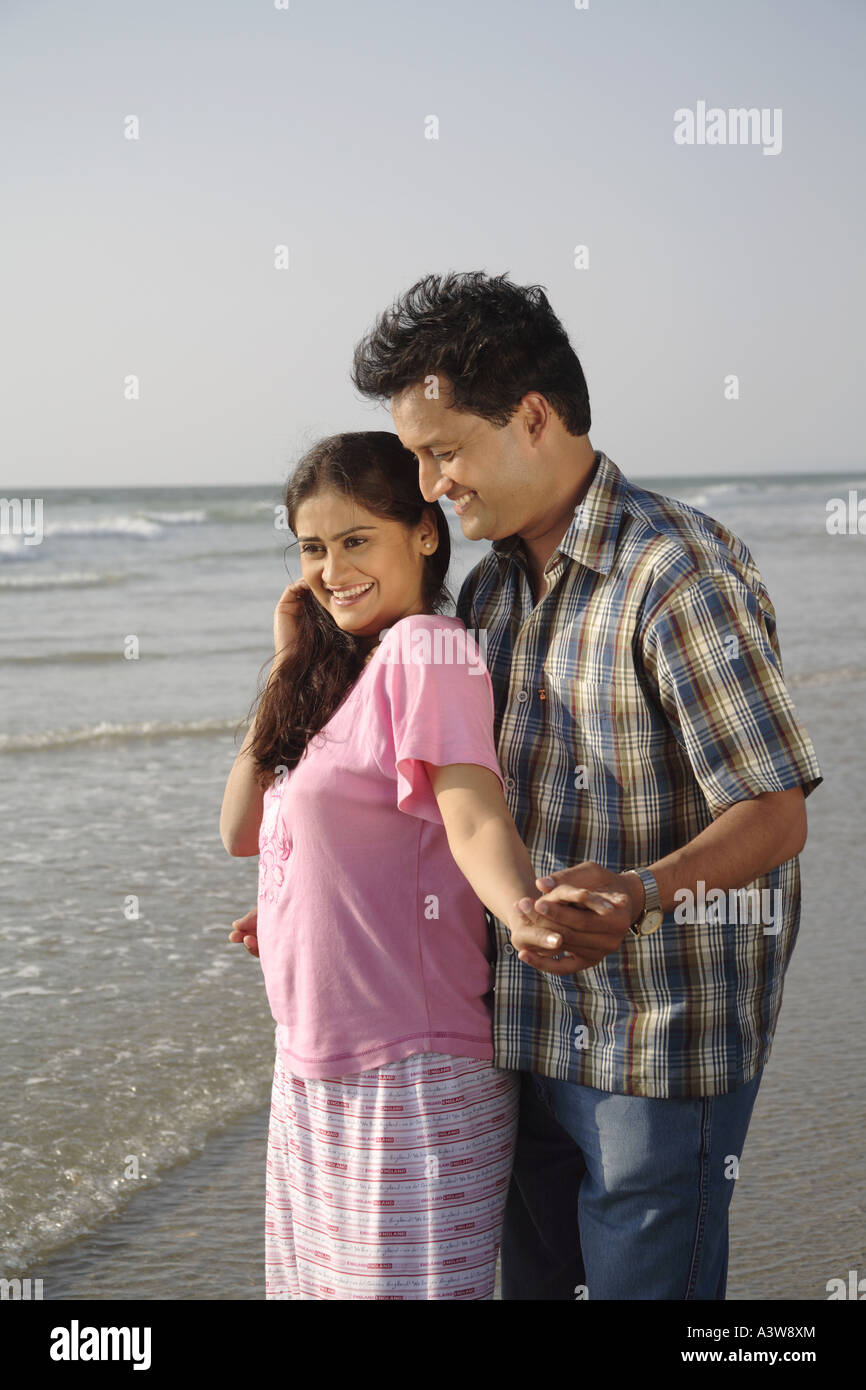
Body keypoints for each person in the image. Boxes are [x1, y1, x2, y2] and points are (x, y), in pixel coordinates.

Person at [232, 272, 823, 1300]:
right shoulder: (490, 589)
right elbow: (452, 811)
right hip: (516, 1027)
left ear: (533, 417)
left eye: (440, 450)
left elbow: (772, 811)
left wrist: (638, 893)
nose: (426, 486)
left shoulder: (674, 572)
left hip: (657, 1029)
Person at [219, 430, 614, 1301]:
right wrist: (287, 665)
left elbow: (470, 814)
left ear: (425, 533)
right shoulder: (338, 676)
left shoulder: (427, 650)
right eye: (313, 548)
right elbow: (241, 832)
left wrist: (522, 910)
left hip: (413, 1075)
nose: (332, 568)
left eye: (357, 539)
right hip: (312, 1068)